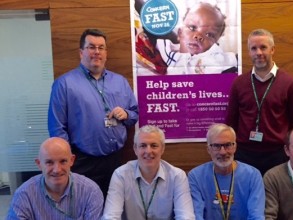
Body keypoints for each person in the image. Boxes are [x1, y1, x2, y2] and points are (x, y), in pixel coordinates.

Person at [48, 28, 139, 197]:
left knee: (113, 207)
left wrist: (126, 114)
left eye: (101, 47)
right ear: (81, 52)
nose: (97, 52)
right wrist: (67, 161)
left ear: (106, 53)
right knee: (85, 207)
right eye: (91, 47)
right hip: (82, 162)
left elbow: (134, 115)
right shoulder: (64, 84)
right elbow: (57, 129)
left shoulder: (120, 82)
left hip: (115, 160)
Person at [225, 28, 293, 175]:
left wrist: (292, 152)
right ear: (249, 52)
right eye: (253, 48)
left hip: (277, 155)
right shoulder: (239, 83)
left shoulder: (290, 83)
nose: (258, 53)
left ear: (272, 50)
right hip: (244, 154)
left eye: (263, 47)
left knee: (274, 197)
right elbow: (231, 122)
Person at [102, 125, 195, 220]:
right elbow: (110, 216)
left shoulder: (177, 176)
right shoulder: (120, 175)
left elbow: (186, 216)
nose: (148, 151)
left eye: (154, 146)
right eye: (143, 146)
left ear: (162, 149)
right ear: (135, 149)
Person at [6, 137, 103, 220]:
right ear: (39, 164)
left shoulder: (91, 192)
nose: (57, 170)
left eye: (63, 161)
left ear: (72, 160)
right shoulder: (24, 194)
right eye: (49, 162)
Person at [188, 123, 265, 220]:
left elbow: (256, 216)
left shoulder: (253, 176)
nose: (223, 152)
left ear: (235, 147)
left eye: (228, 145)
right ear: (208, 149)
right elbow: (196, 216)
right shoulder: (196, 176)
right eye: (216, 146)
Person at [137, 2, 238, 75]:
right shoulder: (165, 52)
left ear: (216, 43)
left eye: (209, 35)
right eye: (192, 28)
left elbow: (235, 60)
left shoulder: (217, 58)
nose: (198, 36)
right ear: (180, 33)